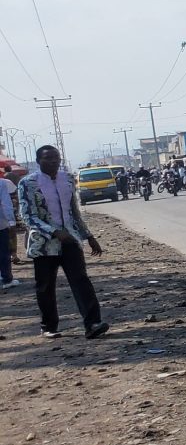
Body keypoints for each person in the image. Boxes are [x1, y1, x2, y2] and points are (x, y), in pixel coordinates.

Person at [18, 146, 109, 340]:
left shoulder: (67, 179)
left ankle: (92, 324)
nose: (53, 161)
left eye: (56, 157)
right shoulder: (28, 183)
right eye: (48, 158)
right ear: (38, 161)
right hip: (43, 244)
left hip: (70, 240)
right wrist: (53, 231)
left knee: (81, 280)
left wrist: (88, 236)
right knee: (45, 286)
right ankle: (48, 326)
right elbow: (28, 216)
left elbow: (74, 212)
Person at [0, 164, 16, 289]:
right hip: (1, 223)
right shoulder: (2, 183)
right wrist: (11, 220)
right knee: (3, 251)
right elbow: (6, 203)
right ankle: (6, 278)